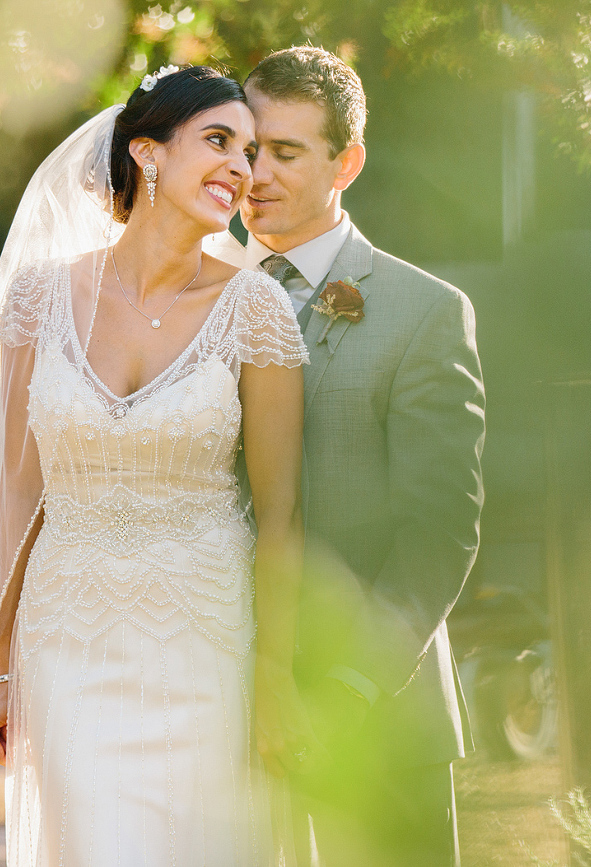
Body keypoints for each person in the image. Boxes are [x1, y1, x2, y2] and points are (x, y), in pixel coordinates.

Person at [0, 66, 314, 866]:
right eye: (220, 141)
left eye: (253, 151)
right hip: (67, 640)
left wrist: (276, 674)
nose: (244, 168)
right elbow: (21, 494)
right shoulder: (39, 299)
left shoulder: (254, 307)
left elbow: (281, 512)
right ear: (148, 153)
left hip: (205, 639)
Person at [240, 47, 486, 867]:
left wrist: (348, 691)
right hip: (223, 722)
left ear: (346, 162)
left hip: (378, 722)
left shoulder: (423, 313)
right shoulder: (187, 306)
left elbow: (440, 531)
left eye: (285, 152)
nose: (255, 174)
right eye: (244, 148)